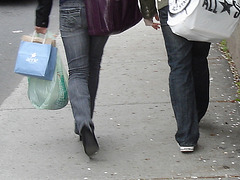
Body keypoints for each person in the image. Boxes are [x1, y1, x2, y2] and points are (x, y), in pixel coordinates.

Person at [35, 0, 109, 157]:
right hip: (101, 9)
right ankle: (85, 122)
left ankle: (84, 122)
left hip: (71, 8)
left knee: (78, 71)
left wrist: (42, 18)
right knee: (93, 66)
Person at [139, 0, 211, 152]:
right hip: (202, 5)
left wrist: (148, 11)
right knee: (199, 59)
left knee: (179, 66)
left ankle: (187, 136)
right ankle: (196, 113)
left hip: (171, 5)